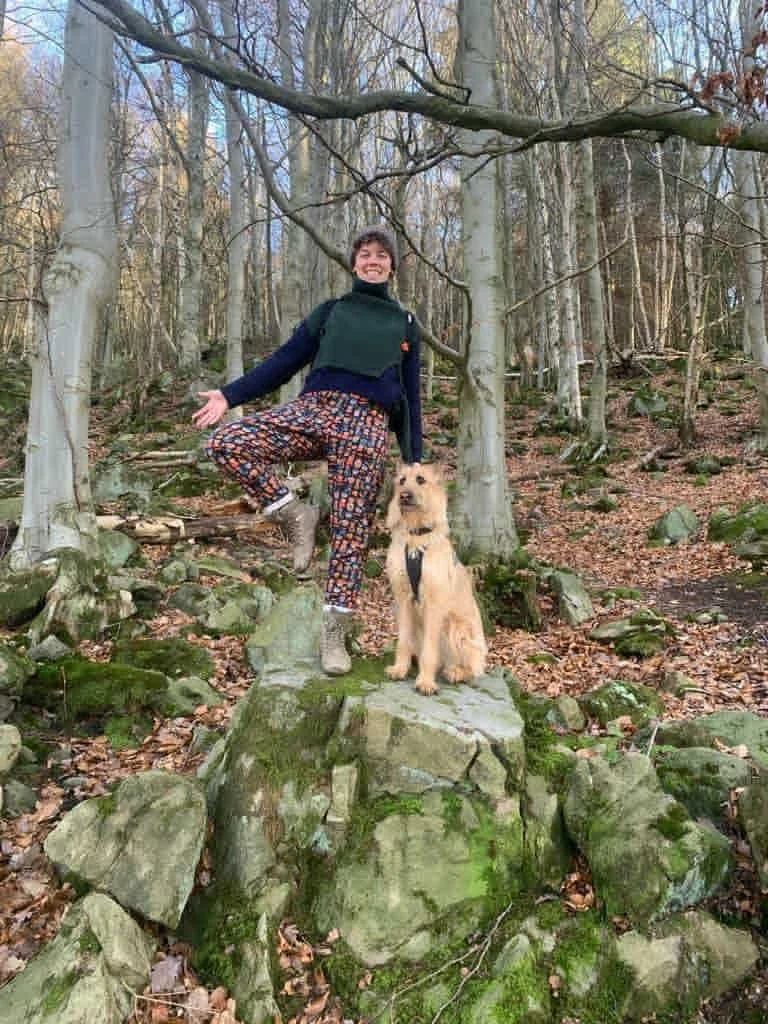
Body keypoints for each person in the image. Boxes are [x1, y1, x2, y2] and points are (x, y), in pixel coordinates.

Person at [193, 225, 422, 676]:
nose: (372, 261)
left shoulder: (406, 324)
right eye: (365, 255)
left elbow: (410, 398)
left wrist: (412, 458)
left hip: (367, 424)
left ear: (393, 266)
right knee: (227, 442)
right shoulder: (331, 311)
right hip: (315, 409)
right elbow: (284, 361)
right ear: (354, 263)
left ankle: (334, 634)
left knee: (351, 533)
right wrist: (229, 395)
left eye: (381, 255)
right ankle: (292, 513)